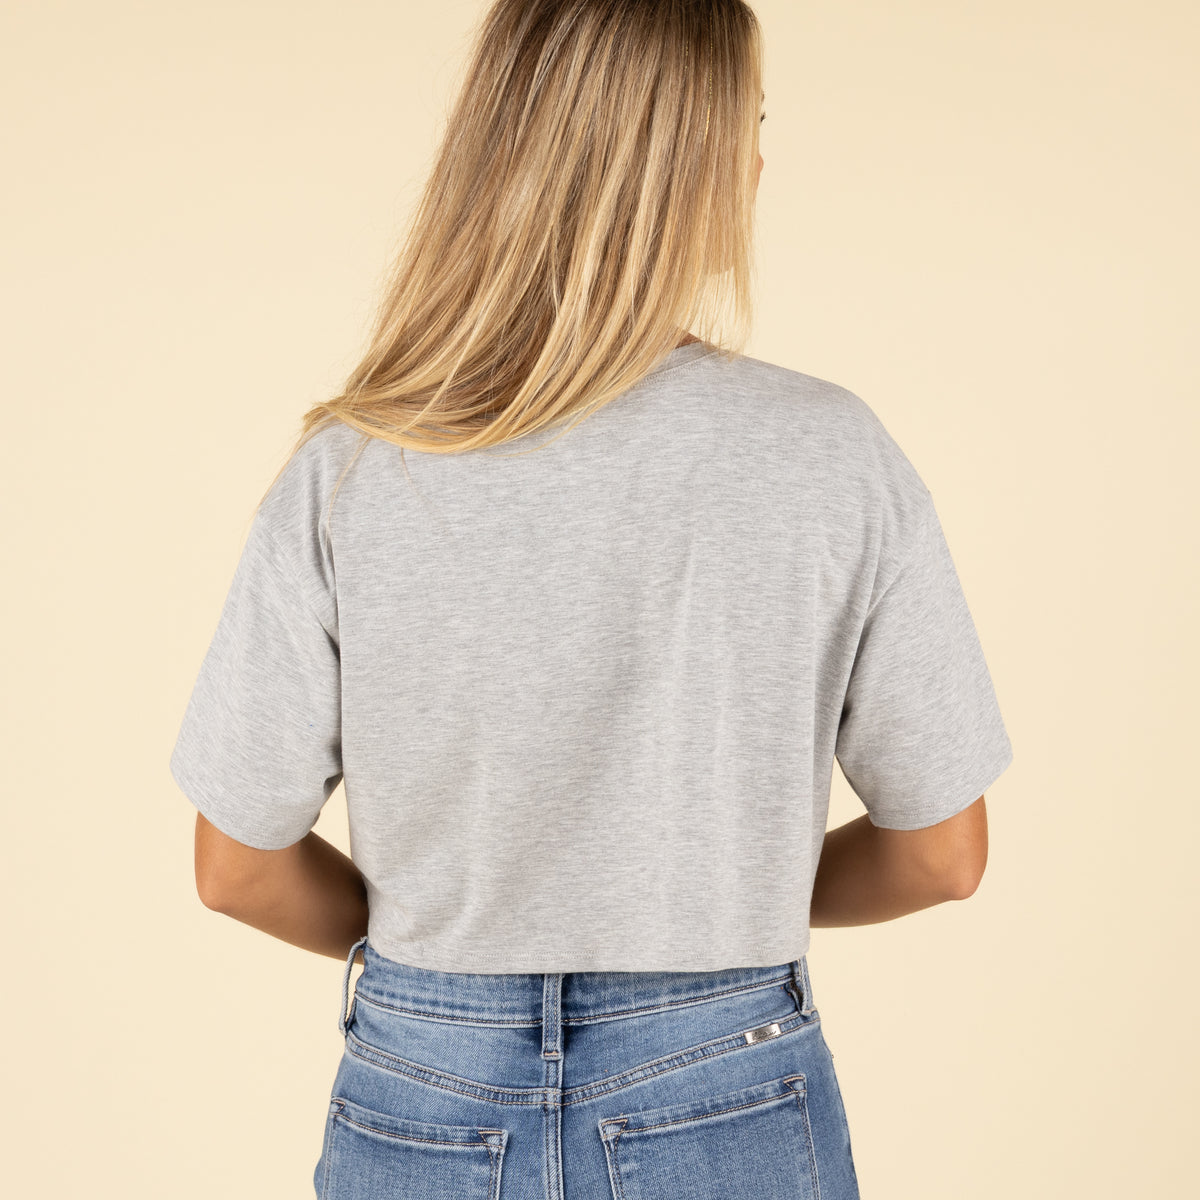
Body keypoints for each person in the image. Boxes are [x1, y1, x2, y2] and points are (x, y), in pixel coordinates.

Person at [169, 2, 1012, 1197]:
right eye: (749, 128)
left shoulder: (351, 468)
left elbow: (236, 868)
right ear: (697, 165)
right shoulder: (831, 454)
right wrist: (724, 901)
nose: (759, 164)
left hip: (424, 1083)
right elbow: (940, 857)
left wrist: (443, 960)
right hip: (725, 1075)